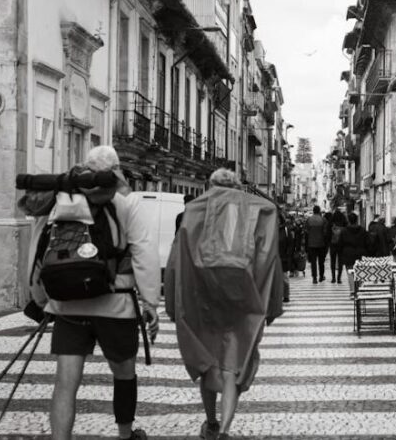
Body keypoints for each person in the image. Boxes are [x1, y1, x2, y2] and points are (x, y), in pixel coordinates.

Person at [28, 146, 159, 440]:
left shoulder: (60, 196)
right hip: (117, 304)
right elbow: (144, 251)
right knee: (124, 374)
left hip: (67, 306)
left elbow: (37, 248)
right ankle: (125, 434)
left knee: (65, 382)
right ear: (116, 169)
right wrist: (151, 302)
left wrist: (40, 299)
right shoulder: (127, 199)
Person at [165, 168, 284, 440]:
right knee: (233, 364)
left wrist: (172, 303)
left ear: (210, 185)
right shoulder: (259, 212)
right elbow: (271, 260)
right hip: (244, 297)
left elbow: (176, 261)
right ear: (237, 186)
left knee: (208, 361)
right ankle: (226, 429)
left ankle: (211, 423)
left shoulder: (193, 211)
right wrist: (273, 304)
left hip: (201, 298)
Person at [338, 212, 369, 281]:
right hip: (360, 254)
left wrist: (341, 254)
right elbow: (367, 242)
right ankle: (359, 288)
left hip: (348, 254)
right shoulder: (363, 230)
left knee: (350, 272)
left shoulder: (344, 231)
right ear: (356, 220)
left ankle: (352, 289)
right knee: (360, 272)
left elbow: (340, 244)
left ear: (348, 220)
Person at [304, 206, 328, 283]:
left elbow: (306, 232)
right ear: (319, 211)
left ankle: (314, 277)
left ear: (313, 211)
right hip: (321, 244)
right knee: (321, 261)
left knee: (313, 262)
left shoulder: (309, 220)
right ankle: (321, 276)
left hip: (311, 244)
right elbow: (325, 233)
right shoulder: (323, 220)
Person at [278, 213, 294, 303]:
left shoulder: (286, 230)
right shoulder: (271, 229)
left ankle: (286, 295)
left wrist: (288, 255)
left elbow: (291, 244)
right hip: (274, 258)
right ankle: (277, 296)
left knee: (284, 278)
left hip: (283, 257)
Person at [328, 211, 348, 283]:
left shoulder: (331, 224)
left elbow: (328, 234)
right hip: (341, 245)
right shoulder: (344, 224)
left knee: (332, 261)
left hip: (333, 244)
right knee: (340, 262)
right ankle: (339, 278)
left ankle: (333, 278)